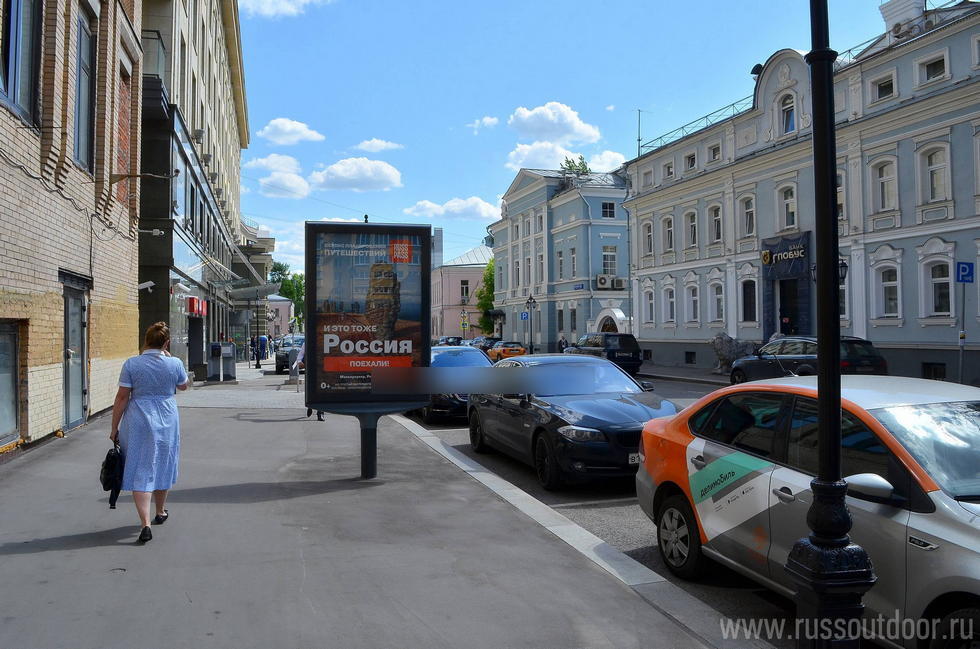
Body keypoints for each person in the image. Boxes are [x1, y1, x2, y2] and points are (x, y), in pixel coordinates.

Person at [110, 322, 189, 544]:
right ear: (166, 342)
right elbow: (183, 386)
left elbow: (122, 397)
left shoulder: (132, 364)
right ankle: (160, 511)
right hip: (167, 417)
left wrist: (114, 427)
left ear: (146, 340)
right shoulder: (174, 363)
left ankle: (145, 524)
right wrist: (170, 359)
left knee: (141, 467)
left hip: (139, 419)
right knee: (164, 461)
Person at [295, 343, 324, 421]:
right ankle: (310, 406)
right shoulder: (307, 342)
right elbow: (300, 355)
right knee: (311, 390)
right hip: (310, 368)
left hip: (321, 369)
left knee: (321, 390)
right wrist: (299, 361)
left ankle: (320, 413)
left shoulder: (325, 340)